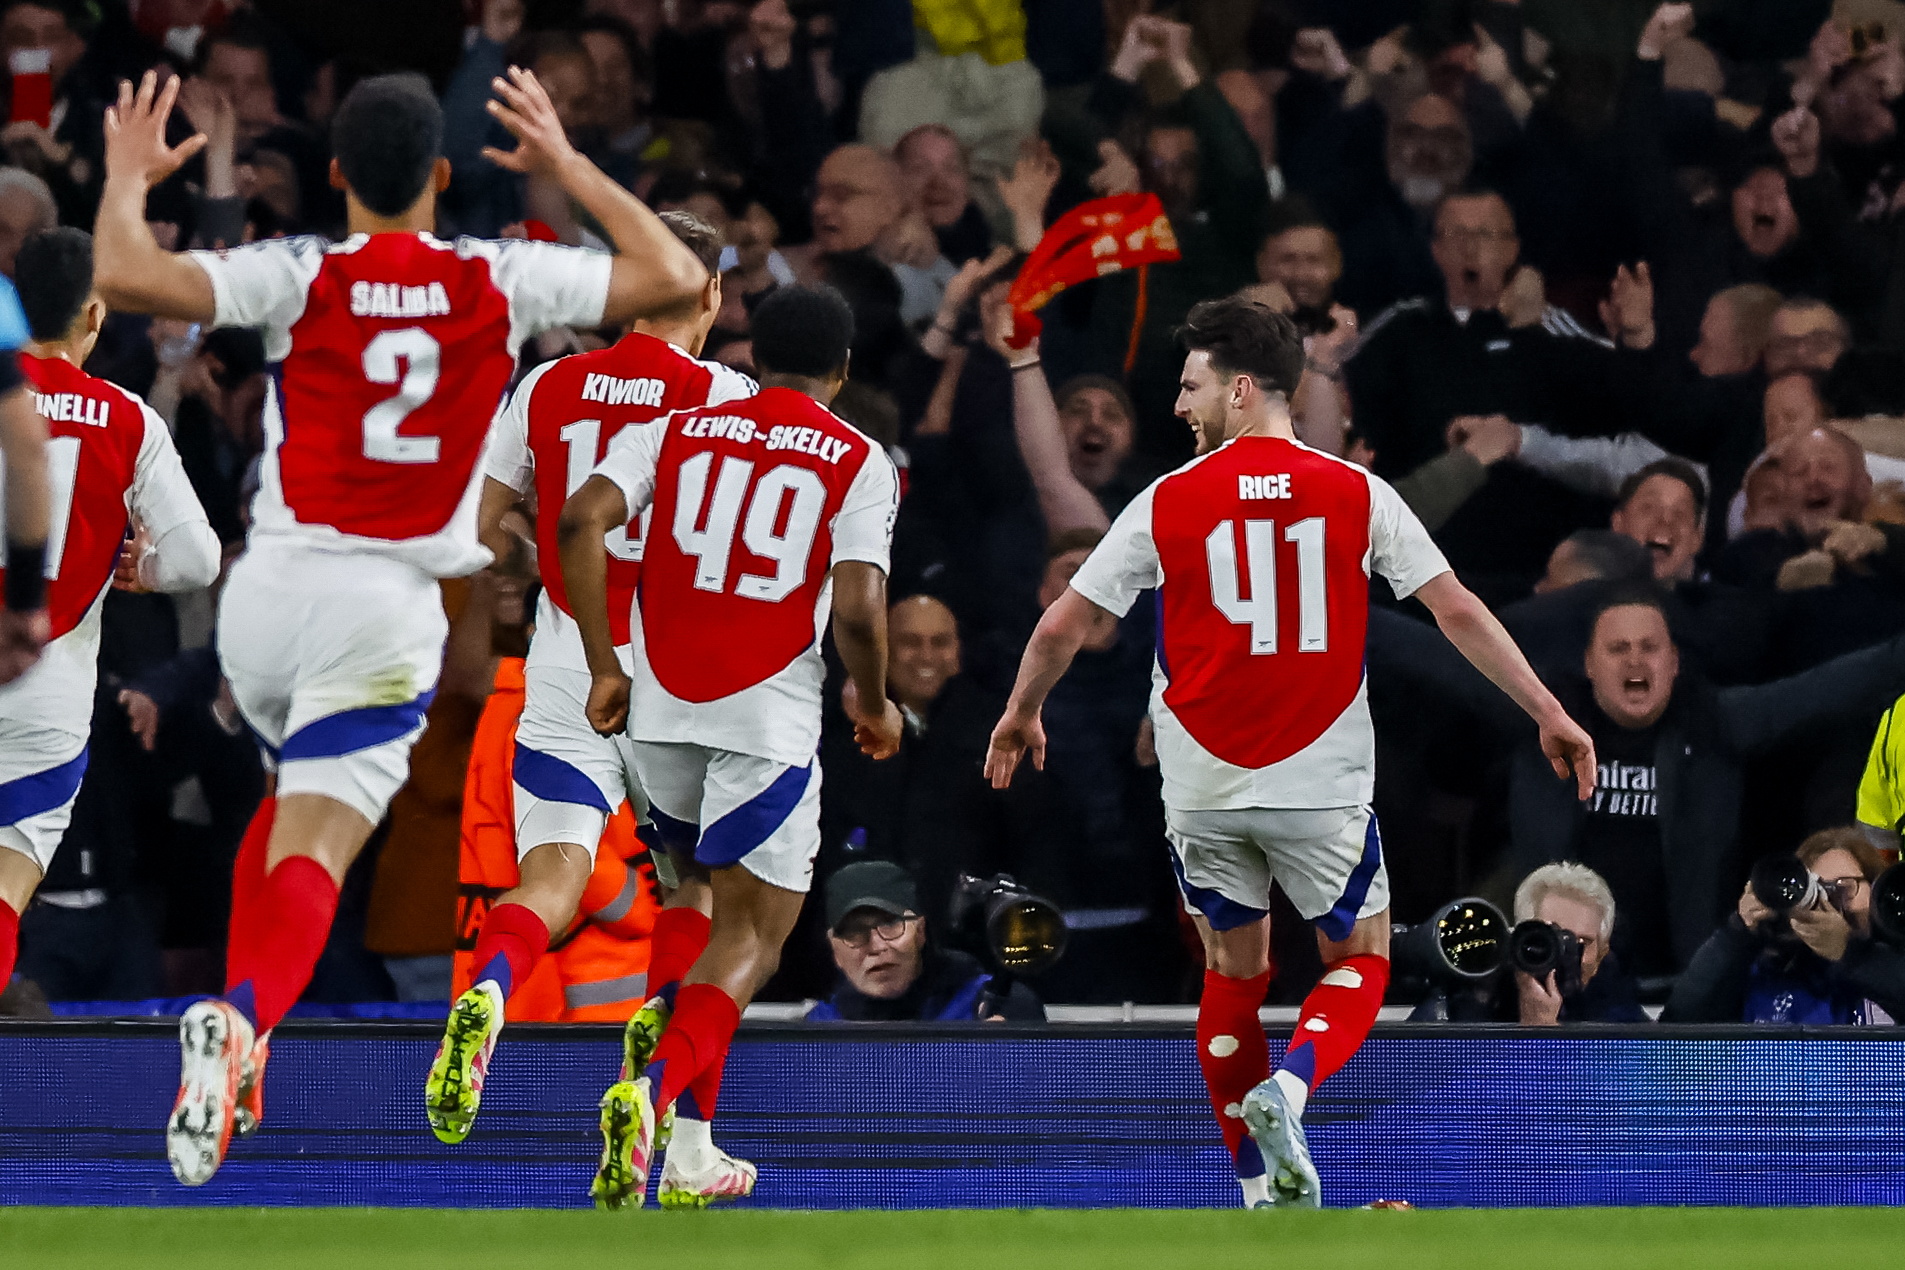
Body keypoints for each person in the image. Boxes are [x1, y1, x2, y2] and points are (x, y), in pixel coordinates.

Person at [90, 66, 708, 1187]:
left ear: (333, 175)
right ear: (438, 172)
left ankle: (248, 1042)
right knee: (318, 848)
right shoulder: (498, 273)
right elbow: (672, 271)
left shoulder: (299, 270)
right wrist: (564, 162)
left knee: (282, 809)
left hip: (267, 592)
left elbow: (123, 272)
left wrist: (127, 176)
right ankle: (239, 1018)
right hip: (385, 607)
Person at [983, 296, 1595, 1208]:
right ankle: (1294, 1087)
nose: (1179, 405)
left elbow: (1066, 621)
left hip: (1199, 780)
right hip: (1316, 776)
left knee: (1233, 971)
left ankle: (1256, 1190)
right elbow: (1456, 609)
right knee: (1362, 959)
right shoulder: (1354, 491)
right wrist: (1548, 710)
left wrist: (1020, 712)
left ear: (1239, 389)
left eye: (1190, 386)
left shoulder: (1165, 500)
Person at [557, 283, 902, 1209]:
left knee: (693, 900)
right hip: (764, 723)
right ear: (841, 371)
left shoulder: (677, 428)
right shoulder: (859, 459)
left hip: (658, 712)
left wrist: (601, 661)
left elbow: (578, 520)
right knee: (753, 939)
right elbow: (862, 608)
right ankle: (651, 1093)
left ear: (749, 357)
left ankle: (690, 1153)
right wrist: (873, 703)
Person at [425, 208, 754, 1147]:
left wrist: (551, 554)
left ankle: (488, 990)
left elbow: (482, 530)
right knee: (694, 886)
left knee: (552, 873)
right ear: (713, 294)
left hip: (568, 657)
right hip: (679, 668)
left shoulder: (547, 385)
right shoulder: (726, 395)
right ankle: (656, 1102)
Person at [0, 227, 219, 1014]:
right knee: (8, 882)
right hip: (46, 691)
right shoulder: (127, 420)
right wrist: (145, 567)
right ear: (94, 316)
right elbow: (198, 558)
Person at [1664, 827, 1905, 1025]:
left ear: (1875, 889)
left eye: (1845, 886)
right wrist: (1736, 934)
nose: (1831, 902)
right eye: (1818, 889)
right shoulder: (1774, 971)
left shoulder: (1894, 964)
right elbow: (1679, 1021)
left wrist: (1850, 954)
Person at [806, 860, 1044, 1022]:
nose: (877, 946)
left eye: (890, 924)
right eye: (854, 933)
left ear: (920, 932)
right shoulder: (815, 1034)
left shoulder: (990, 1005)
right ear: (835, 951)